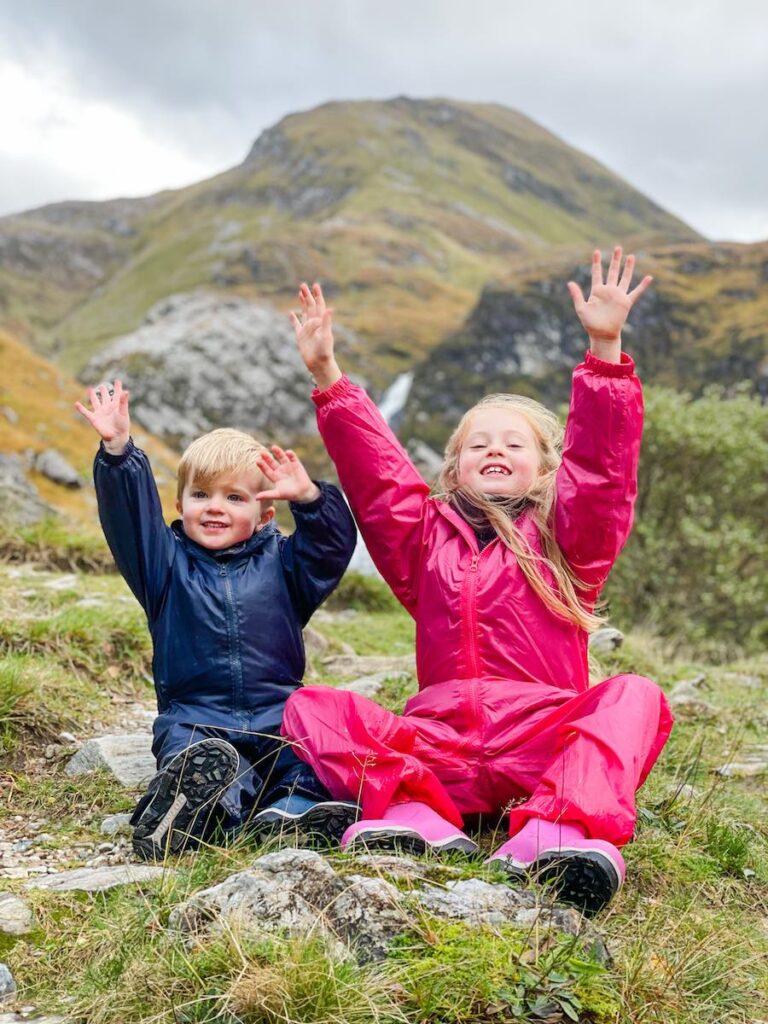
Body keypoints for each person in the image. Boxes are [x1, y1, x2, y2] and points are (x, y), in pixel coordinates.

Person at [280, 247, 674, 914]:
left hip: (540, 744)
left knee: (634, 694)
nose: (495, 450)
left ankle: (559, 829)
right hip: (441, 747)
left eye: (514, 444)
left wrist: (604, 348)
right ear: (454, 467)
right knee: (308, 707)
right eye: (477, 444)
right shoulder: (421, 540)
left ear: (546, 469)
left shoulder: (570, 541)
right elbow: (379, 483)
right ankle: (417, 821)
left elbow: (602, 476)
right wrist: (328, 375)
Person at [75, 385, 358, 860]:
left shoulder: (287, 566)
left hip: (278, 714)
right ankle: (195, 814)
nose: (214, 507)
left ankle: (293, 812)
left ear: (266, 515)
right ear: (180, 503)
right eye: (200, 494)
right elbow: (128, 518)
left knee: (308, 753)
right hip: (195, 716)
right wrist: (119, 453)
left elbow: (330, 548)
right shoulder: (160, 563)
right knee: (199, 763)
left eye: (234, 497)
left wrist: (310, 499)